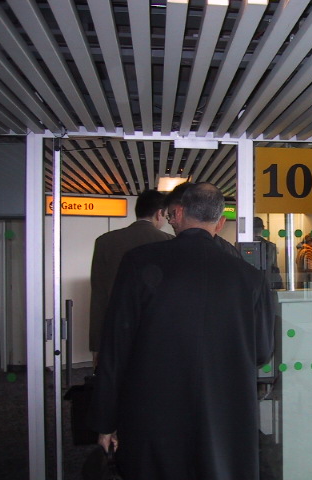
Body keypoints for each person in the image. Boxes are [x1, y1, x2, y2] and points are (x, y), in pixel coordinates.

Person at [88, 182, 275, 480]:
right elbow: (262, 352)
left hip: (153, 416)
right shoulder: (250, 277)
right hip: (223, 419)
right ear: (221, 222)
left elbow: (116, 347)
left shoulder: (138, 263)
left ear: (176, 213)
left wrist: (105, 421)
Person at [88, 189, 172, 366]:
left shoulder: (105, 241)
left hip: (117, 331)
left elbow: (99, 296)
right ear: (159, 213)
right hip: (159, 333)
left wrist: (97, 345)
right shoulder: (169, 242)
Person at [164, 182, 241, 258]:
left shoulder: (164, 254)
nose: (171, 221)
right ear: (220, 223)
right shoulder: (233, 256)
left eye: (173, 214)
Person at [254, 216, 283, 289]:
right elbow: (274, 267)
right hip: (267, 284)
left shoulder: (242, 245)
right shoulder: (271, 246)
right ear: (262, 229)